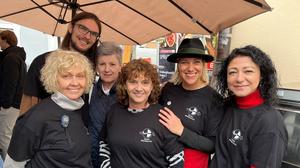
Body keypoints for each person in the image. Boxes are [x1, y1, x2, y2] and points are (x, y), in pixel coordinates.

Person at [4, 50, 95, 167]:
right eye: (66, 76)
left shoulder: (78, 109)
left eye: (80, 76)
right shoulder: (36, 117)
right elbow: (12, 164)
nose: (75, 82)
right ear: (54, 79)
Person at [209, 45, 288, 168]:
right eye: (233, 72)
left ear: (261, 75)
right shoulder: (227, 106)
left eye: (248, 71)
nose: (239, 79)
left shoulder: (269, 121)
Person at [99, 59, 184, 168]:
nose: (139, 88)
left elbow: (177, 160)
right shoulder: (114, 111)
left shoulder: (164, 116)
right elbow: (104, 144)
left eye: (145, 82)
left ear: (152, 86)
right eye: (133, 82)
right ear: (124, 84)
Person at [19, 11, 101, 117]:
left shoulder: (91, 68)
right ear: (71, 27)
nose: (88, 36)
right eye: (83, 28)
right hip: (47, 129)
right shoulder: (43, 62)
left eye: (94, 34)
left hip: (77, 129)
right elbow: (27, 107)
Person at [158, 38, 223, 168]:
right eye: (184, 62)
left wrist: (181, 131)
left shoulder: (214, 99)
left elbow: (212, 145)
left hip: (192, 163)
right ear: (178, 65)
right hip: (160, 159)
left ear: (203, 65)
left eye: (196, 62)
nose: (190, 68)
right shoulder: (168, 89)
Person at [88, 41, 122, 168]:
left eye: (112, 64)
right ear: (96, 67)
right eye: (102, 64)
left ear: (120, 66)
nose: (107, 69)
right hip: (91, 159)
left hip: (117, 160)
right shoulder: (89, 90)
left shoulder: (129, 93)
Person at [0, 30, 27, 160]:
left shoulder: (11, 58)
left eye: (0, 39)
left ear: (5, 40)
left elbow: (10, 83)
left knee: (5, 138)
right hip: (14, 104)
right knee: (6, 137)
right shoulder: (17, 57)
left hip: (9, 105)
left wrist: (5, 104)